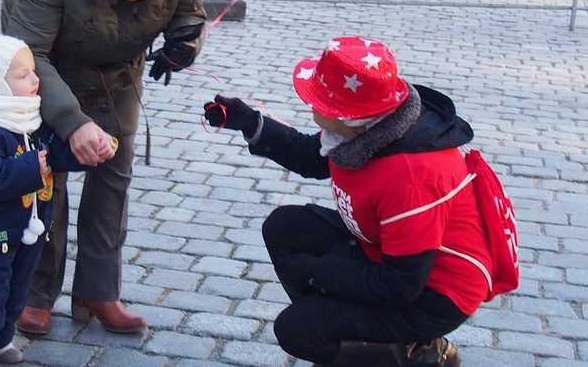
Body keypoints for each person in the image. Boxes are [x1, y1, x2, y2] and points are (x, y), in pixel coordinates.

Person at [1, 0, 206, 336]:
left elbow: (186, 10)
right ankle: (36, 292)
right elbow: (28, 52)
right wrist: (72, 123)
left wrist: (184, 43)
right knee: (46, 177)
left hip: (119, 73)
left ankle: (99, 289)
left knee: (113, 178)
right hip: (43, 69)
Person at [203, 36, 493, 366]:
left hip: (434, 294)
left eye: (317, 99)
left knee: (296, 331)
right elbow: (311, 157)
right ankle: (349, 345)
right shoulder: (371, 127)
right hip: (382, 254)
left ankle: (423, 353)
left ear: (347, 117)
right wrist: (251, 123)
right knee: (286, 229)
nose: (310, 103)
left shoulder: (411, 178)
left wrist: (319, 272)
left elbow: (402, 285)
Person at [0, 34, 115, 366]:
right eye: (23, 76)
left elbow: (56, 153)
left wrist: (88, 151)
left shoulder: (31, 120)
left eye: (34, 71)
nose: (36, 80)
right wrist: (27, 168)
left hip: (23, 233)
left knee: (14, 291)